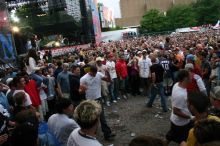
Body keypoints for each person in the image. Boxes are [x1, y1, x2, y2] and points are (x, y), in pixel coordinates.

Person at [80, 66, 115, 140]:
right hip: (90, 101)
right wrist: (83, 90)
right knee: (92, 119)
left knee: (102, 117)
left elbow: (108, 80)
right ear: (90, 71)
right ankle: (91, 136)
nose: (95, 75)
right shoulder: (83, 78)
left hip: (98, 99)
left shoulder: (98, 74)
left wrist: (107, 72)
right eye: (93, 73)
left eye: (95, 73)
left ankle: (107, 134)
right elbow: (80, 91)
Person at [166, 70, 194, 144]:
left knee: (170, 136)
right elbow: (176, 111)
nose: (192, 77)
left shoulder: (177, 84)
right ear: (185, 79)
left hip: (175, 120)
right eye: (190, 76)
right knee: (183, 140)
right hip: (181, 123)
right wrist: (190, 117)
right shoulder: (181, 95)